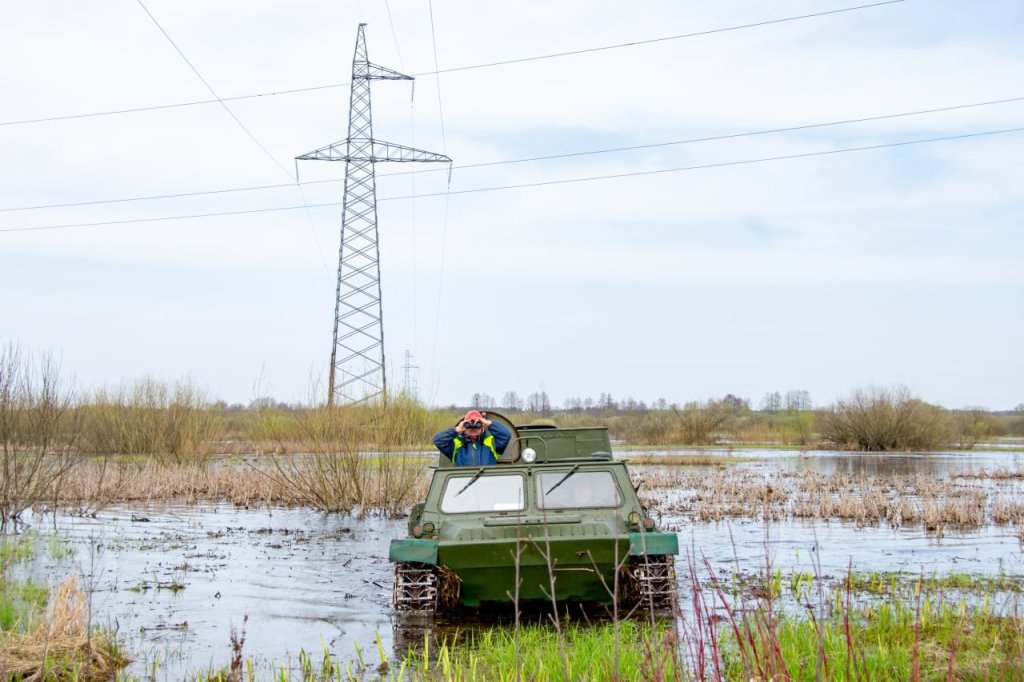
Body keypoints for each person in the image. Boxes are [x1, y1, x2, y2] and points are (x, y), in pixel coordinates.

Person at [433, 410, 511, 466]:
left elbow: (506, 435)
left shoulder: (491, 442)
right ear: (464, 427)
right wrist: (456, 430)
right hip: (463, 485)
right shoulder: (456, 444)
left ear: (482, 427)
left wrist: (487, 423)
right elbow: (438, 440)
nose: (473, 428)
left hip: (487, 484)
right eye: (469, 426)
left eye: (477, 425)